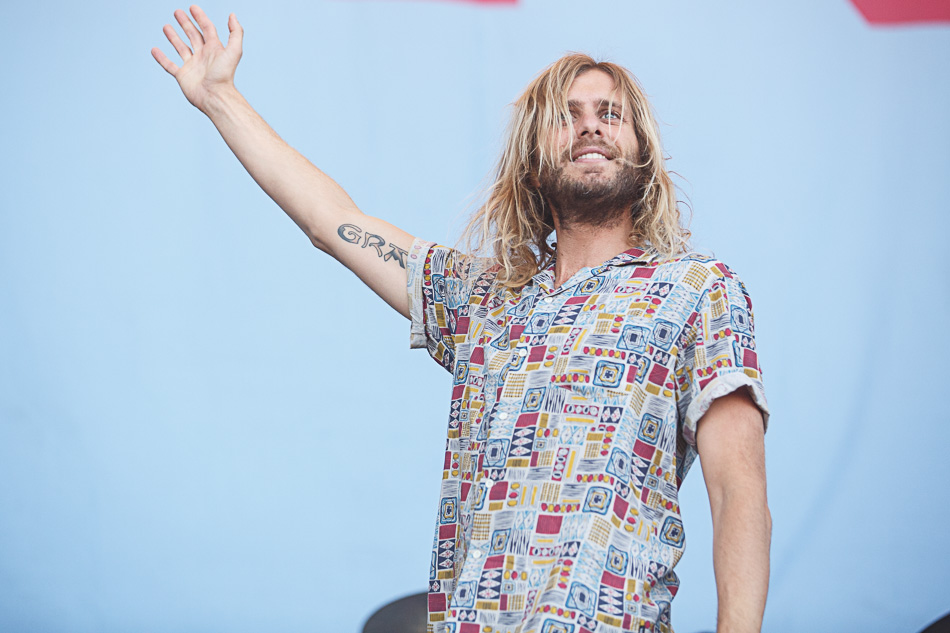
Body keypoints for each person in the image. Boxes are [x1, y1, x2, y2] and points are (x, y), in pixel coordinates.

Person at [152, 7, 771, 633]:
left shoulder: (697, 290)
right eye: (567, 115)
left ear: (643, 153)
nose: (590, 125)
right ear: (533, 163)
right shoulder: (483, 301)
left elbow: (737, 494)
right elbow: (332, 222)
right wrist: (220, 98)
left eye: (610, 113)